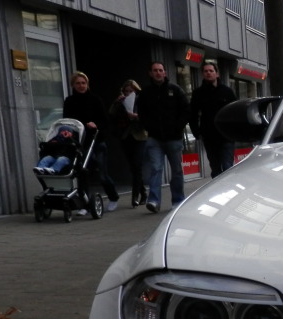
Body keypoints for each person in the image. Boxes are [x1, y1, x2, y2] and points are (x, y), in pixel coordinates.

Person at [137, 61, 189, 213]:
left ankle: (178, 200)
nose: (158, 73)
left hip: (174, 138)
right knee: (155, 168)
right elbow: (142, 114)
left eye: (160, 70)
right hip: (155, 139)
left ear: (165, 73)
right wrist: (149, 127)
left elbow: (186, 110)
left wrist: (177, 127)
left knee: (177, 170)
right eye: (155, 70)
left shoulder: (175, 90)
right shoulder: (145, 93)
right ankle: (153, 200)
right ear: (150, 73)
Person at [63, 71, 119, 211]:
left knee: (102, 173)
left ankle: (113, 197)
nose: (81, 86)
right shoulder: (69, 101)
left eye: (83, 83)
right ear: (73, 85)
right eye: (78, 83)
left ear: (87, 84)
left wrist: (96, 125)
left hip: (96, 140)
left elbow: (105, 121)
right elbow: (67, 120)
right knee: (82, 172)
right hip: (80, 142)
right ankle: (85, 203)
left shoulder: (95, 99)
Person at [189, 61, 237, 177]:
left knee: (227, 168)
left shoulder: (227, 92)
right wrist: (197, 132)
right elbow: (192, 114)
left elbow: (236, 111)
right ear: (202, 74)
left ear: (217, 74)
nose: (208, 73)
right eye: (206, 71)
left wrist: (234, 131)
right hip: (209, 137)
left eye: (211, 71)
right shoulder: (198, 93)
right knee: (215, 169)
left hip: (226, 136)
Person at [110, 79, 147, 207]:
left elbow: (148, 118)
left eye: (131, 91)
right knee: (133, 167)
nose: (128, 93)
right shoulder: (120, 102)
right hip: (125, 137)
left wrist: (136, 117)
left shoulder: (141, 100)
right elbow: (111, 115)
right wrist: (117, 102)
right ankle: (143, 192)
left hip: (139, 136)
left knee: (137, 165)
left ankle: (135, 196)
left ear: (136, 91)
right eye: (126, 91)